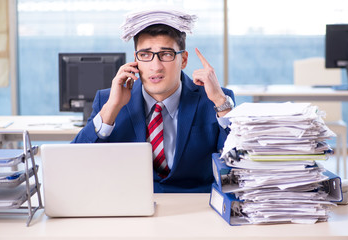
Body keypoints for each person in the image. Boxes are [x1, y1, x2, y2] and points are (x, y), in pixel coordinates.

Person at [72, 10, 235, 193]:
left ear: (184, 60)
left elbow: (239, 167)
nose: (155, 66)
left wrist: (221, 102)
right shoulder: (108, 100)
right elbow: (75, 164)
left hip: (197, 208)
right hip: (130, 207)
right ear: (136, 60)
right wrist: (111, 108)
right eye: (145, 54)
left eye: (166, 54)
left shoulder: (215, 99)